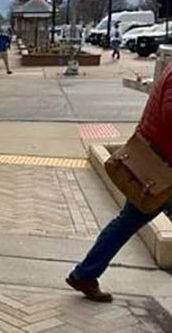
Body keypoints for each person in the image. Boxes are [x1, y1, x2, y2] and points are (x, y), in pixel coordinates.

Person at [66, 62, 172, 302]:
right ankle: (84, 274)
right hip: (162, 170)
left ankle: (85, 274)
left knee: (125, 223)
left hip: (157, 167)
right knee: (126, 223)